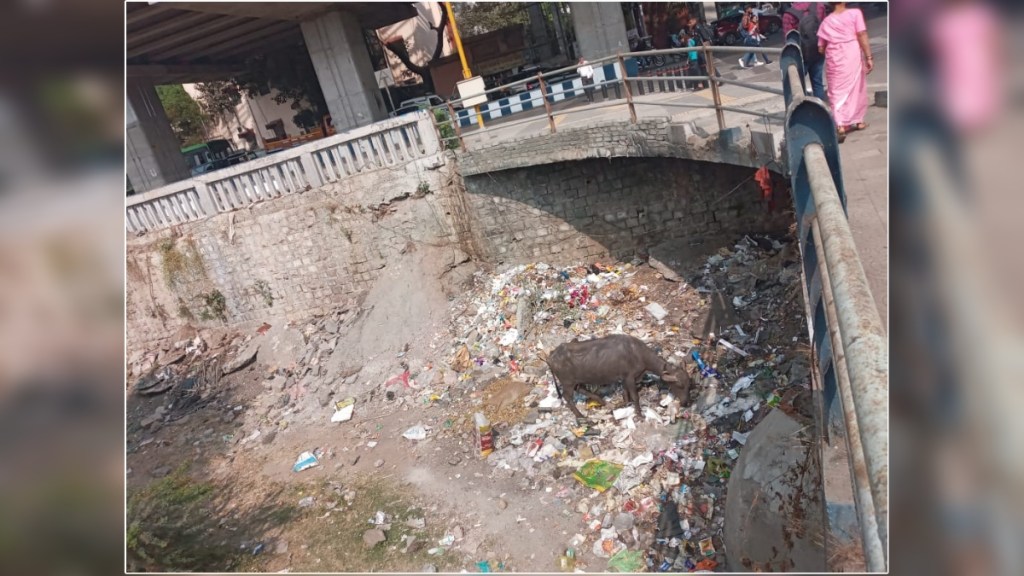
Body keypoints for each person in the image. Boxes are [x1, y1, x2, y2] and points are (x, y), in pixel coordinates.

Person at [817, 2, 872, 141]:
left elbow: (821, 48)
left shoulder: (826, 22)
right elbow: (862, 34)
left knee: (836, 91)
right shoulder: (855, 14)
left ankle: (840, 125)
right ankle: (858, 121)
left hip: (835, 59)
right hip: (852, 54)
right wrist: (868, 57)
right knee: (856, 87)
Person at [784, 2, 828, 102]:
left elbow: (789, 40)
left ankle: (802, 111)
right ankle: (821, 110)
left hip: (801, 56)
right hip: (817, 51)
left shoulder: (789, 15)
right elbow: (824, 27)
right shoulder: (819, 6)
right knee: (817, 83)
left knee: (797, 86)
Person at [687, 15, 721, 85]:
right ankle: (703, 83)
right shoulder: (694, 29)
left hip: (703, 49)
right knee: (701, 66)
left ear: (694, 20)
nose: (689, 24)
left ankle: (719, 78)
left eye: (690, 22)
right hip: (699, 50)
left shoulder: (699, 27)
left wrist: (707, 49)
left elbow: (705, 38)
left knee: (709, 64)